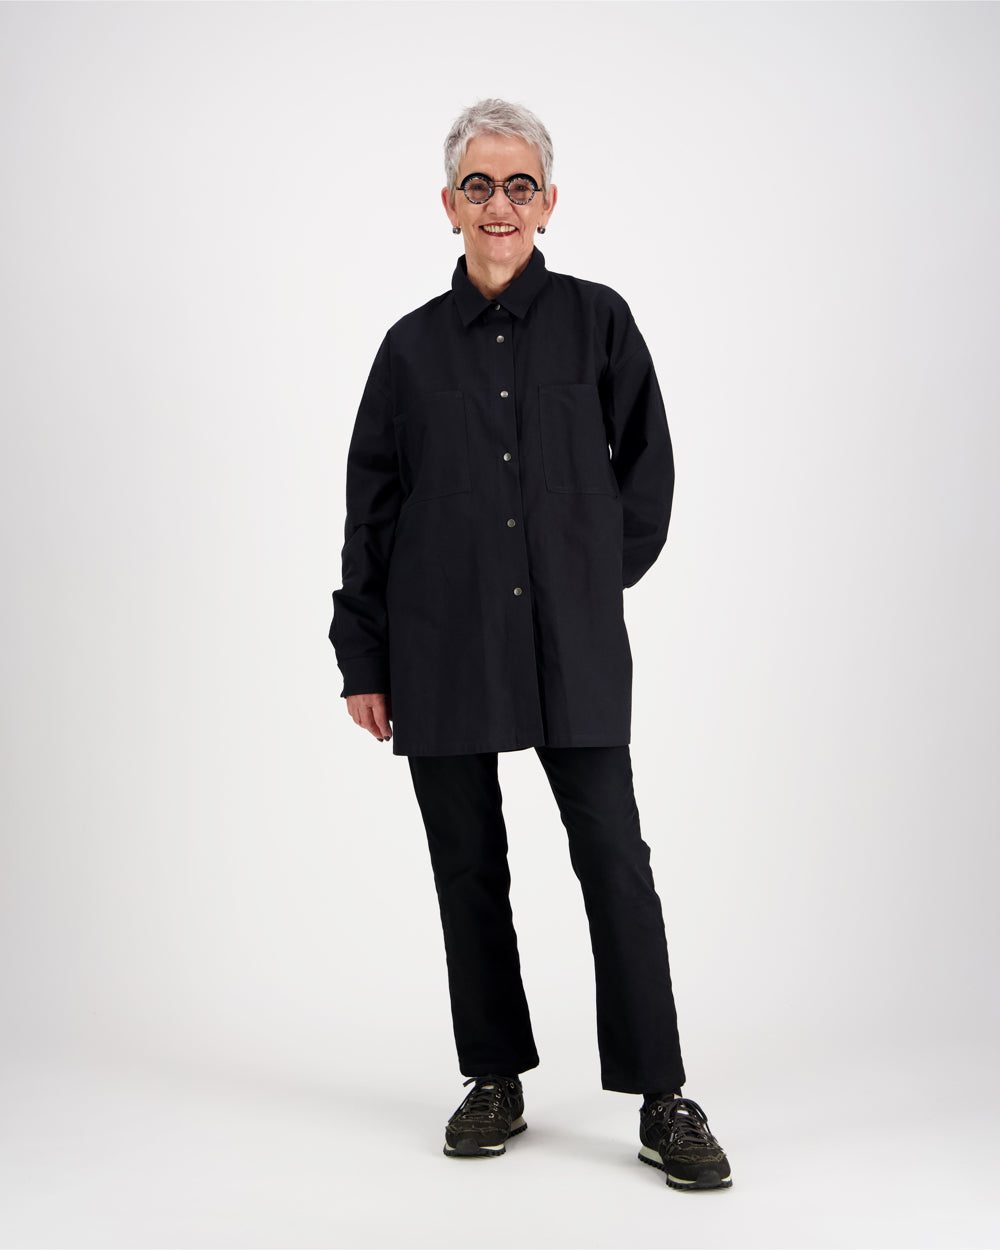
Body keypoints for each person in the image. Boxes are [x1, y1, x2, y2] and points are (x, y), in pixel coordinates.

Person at [329, 98, 732, 1191]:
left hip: (570, 644)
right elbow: (371, 509)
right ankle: (494, 1076)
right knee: (467, 865)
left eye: (518, 186)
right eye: (478, 186)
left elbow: (646, 473)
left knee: (615, 859)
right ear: (448, 205)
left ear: (548, 201)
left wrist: (587, 583)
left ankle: (661, 1094)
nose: (498, 205)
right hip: (441, 643)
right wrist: (364, 656)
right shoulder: (409, 349)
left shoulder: (600, 322)